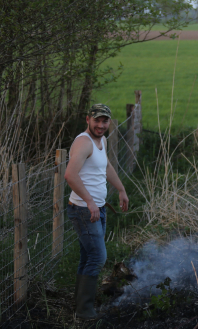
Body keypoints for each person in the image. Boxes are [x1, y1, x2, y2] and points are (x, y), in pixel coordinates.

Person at [64, 103, 129, 320]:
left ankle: (80, 305)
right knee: (98, 257)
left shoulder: (101, 140)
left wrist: (121, 189)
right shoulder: (83, 142)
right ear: (87, 120)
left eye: (104, 121)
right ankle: (85, 311)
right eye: (96, 121)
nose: (100, 125)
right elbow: (70, 175)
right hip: (84, 210)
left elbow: (106, 166)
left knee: (88, 256)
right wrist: (90, 201)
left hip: (97, 209)